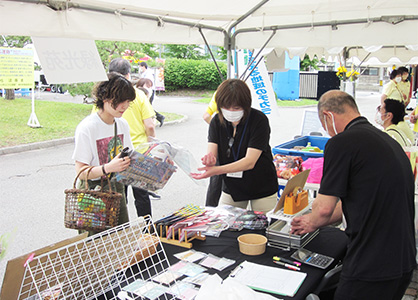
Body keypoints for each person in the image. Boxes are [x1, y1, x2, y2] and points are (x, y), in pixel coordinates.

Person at [291, 90, 416, 300]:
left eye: (325, 125)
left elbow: (323, 209)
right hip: (402, 259)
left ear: (328, 116)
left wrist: (312, 219)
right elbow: (358, 200)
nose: (328, 132)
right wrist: (311, 223)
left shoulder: (342, 143)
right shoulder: (384, 140)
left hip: (372, 264)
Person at [191, 79, 278, 213]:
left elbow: (250, 162)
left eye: (236, 108)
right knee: (225, 223)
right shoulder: (216, 121)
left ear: (246, 105)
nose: (231, 111)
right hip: (232, 186)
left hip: (261, 184)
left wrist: (216, 170)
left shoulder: (259, 120)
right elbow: (212, 152)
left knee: (264, 226)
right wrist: (210, 160)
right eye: (226, 107)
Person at [72, 73, 136, 234]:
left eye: (128, 101)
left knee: (120, 242)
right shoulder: (87, 127)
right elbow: (80, 172)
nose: (125, 106)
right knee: (96, 248)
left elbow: (129, 158)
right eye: (120, 100)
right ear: (105, 97)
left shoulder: (122, 124)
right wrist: (108, 167)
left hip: (116, 192)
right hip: (93, 196)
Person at [109, 58, 156, 217]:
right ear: (128, 74)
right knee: (141, 195)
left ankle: (122, 231)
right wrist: (152, 147)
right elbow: (150, 125)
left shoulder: (106, 98)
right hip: (139, 152)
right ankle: (148, 230)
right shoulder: (137, 94)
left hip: (116, 155)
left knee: (119, 196)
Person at [139, 62, 165, 127]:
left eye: (140, 66)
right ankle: (159, 117)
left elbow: (148, 84)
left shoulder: (148, 73)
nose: (140, 68)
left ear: (143, 66)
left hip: (149, 91)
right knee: (147, 106)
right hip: (145, 91)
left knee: (147, 106)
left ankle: (158, 117)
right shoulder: (145, 73)